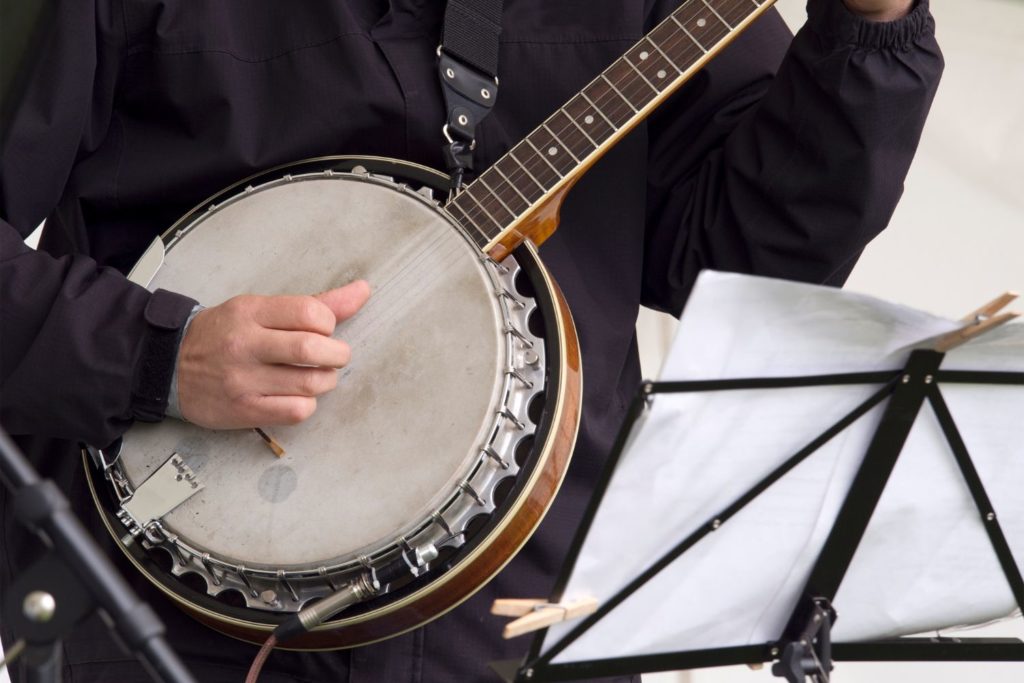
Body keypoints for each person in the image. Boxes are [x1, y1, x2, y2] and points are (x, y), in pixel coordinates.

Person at [0, 0, 942, 681]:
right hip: (181, 618)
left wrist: (873, 22)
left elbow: (749, 253)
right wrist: (156, 354)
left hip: (525, 617)